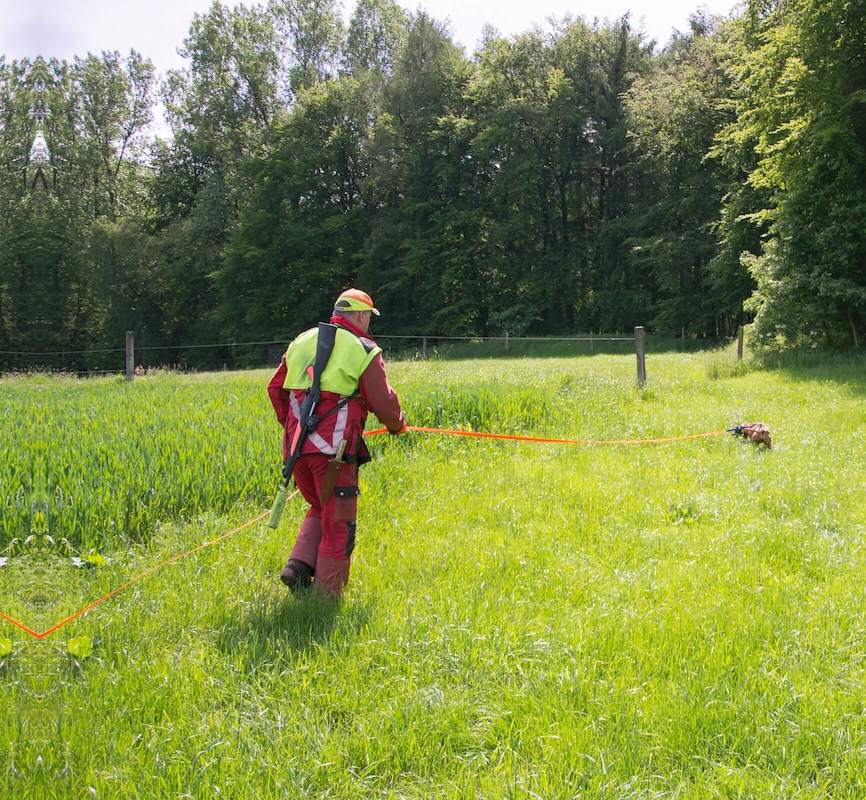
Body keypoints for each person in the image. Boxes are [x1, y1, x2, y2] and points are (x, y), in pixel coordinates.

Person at [267, 289, 406, 597]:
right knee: (339, 523)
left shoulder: (300, 342)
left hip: (296, 451)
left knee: (319, 505)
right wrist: (397, 426)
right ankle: (325, 601)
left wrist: (293, 430)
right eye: (369, 317)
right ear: (359, 315)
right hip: (334, 456)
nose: (369, 322)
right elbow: (383, 401)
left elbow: (276, 390)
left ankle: (298, 568)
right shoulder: (363, 348)